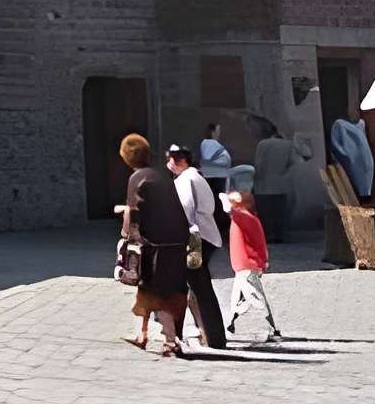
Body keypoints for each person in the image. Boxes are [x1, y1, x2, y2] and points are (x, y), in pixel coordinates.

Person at [119, 136, 191, 358]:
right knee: (151, 289)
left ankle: (170, 341)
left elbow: (134, 214)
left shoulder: (137, 178)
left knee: (158, 291)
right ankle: (141, 334)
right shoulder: (161, 175)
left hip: (156, 245)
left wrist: (128, 239)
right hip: (177, 241)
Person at [166, 142, 230, 352]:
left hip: (195, 239)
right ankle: (208, 334)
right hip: (203, 237)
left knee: (197, 287)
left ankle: (208, 336)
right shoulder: (194, 176)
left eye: (172, 159)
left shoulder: (187, 179)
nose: (170, 164)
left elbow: (184, 210)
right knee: (196, 287)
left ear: (182, 160)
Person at [223, 177, 285, 345]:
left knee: (255, 298)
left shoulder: (245, 218)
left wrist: (262, 262)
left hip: (246, 266)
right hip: (244, 266)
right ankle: (230, 324)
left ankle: (273, 329)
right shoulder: (249, 218)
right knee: (240, 298)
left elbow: (231, 209)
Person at [250, 118, 297, 243]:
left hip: (264, 186)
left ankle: (266, 235)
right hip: (281, 185)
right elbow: (292, 162)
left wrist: (255, 181)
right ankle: (279, 236)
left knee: (265, 213)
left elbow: (258, 165)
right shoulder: (288, 145)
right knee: (279, 213)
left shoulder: (263, 144)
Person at [328, 99, 375, 203]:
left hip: (364, 159)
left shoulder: (361, 124)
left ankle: (365, 196)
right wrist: (347, 157)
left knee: (365, 181)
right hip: (353, 160)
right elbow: (336, 145)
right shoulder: (340, 125)